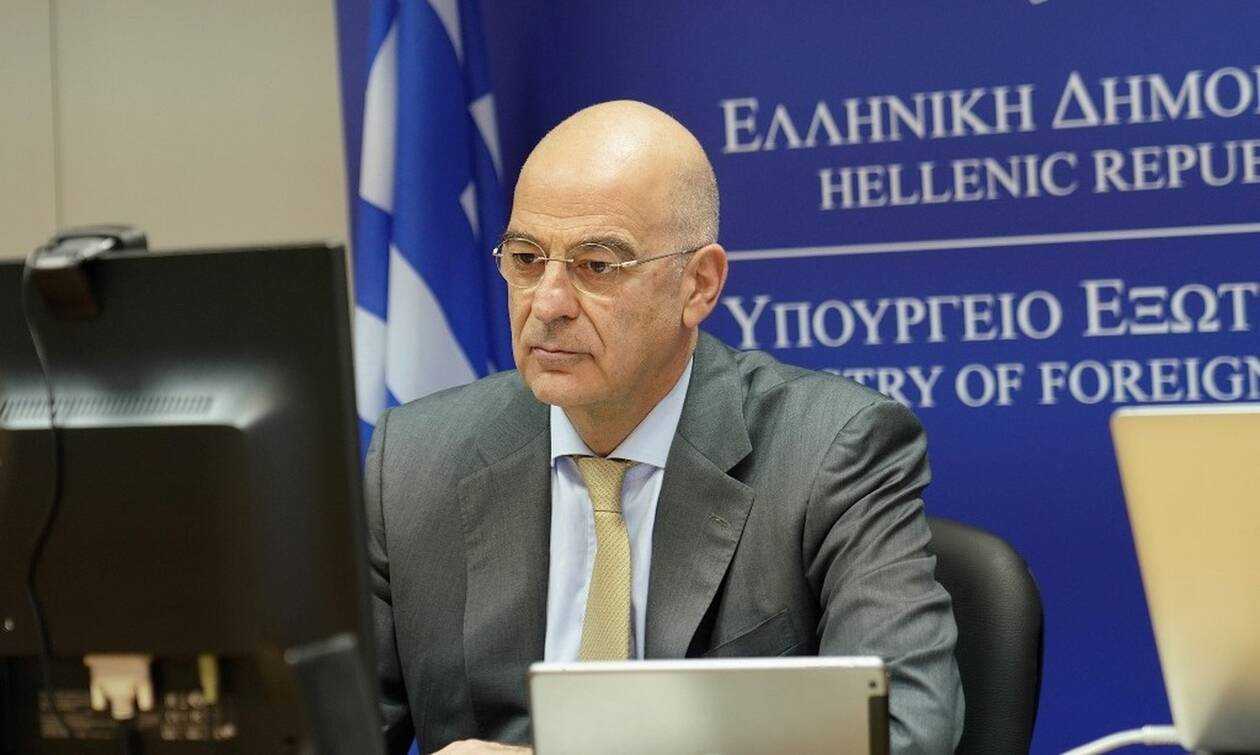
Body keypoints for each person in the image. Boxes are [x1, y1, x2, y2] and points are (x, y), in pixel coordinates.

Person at [365, 100, 964, 754]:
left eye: (597, 265)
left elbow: (906, 731)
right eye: (527, 258)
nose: (548, 303)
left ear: (698, 285)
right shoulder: (414, 463)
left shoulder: (830, 451)